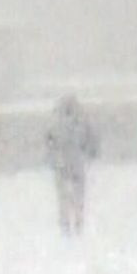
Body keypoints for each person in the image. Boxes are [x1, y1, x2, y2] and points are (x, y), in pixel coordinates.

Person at [45, 95, 100, 236]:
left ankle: (66, 225)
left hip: (62, 165)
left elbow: (49, 144)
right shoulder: (81, 123)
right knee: (78, 197)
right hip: (76, 164)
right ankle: (78, 223)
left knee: (63, 198)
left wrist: (51, 161)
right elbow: (91, 142)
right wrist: (91, 154)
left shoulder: (54, 124)